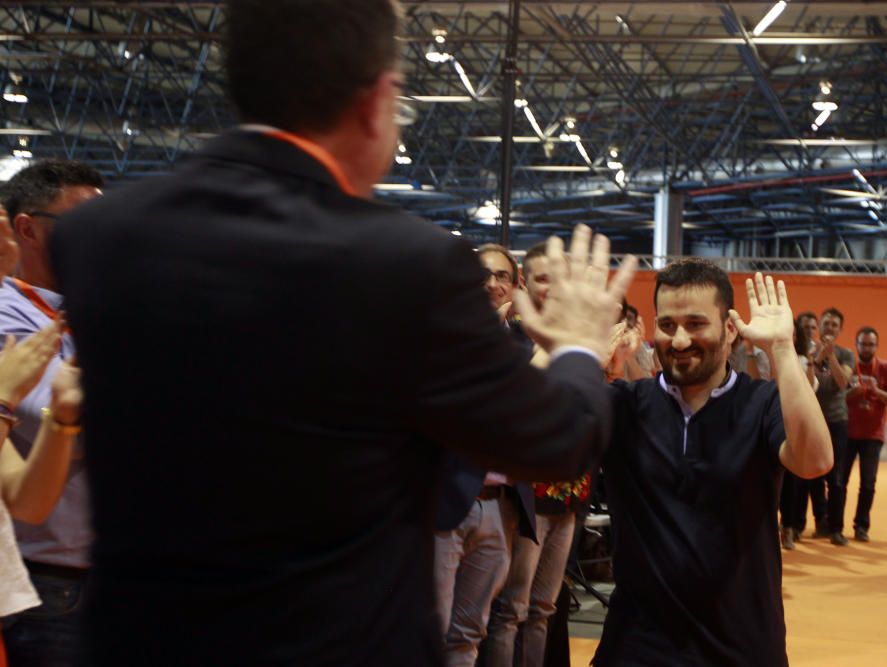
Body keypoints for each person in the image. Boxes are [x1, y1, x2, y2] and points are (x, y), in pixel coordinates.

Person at [48, 2, 637, 665]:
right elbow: (557, 438)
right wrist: (582, 343)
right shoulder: (407, 265)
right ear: (378, 99)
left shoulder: (96, 238)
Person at [592, 261, 833, 666]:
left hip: (743, 649)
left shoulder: (762, 404)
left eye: (696, 323)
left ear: (731, 330)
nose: (681, 339)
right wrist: (579, 360)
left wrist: (782, 349)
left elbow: (814, 462)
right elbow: (522, 437)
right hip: (636, 650)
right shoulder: (625, 405)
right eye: (668, 325)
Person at [0, 160, 101, 667]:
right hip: (49, 583)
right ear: (26, 229)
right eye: (84, 225)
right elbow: (52, 417)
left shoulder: (88, 307)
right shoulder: (6, 312)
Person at [483, 242, 591, 667]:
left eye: (560, 279)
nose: (554, 289)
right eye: (544, 279)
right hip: (523, 493)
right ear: (526, 283)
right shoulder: (512, 334)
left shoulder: (576, 336)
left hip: (569, 490)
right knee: (511, 609)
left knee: (544, 608)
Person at [433, 244, 538, 667]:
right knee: (429, 628)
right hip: (445, 505)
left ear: (516, 287)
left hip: (500, 508)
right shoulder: (439, 337)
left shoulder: (528, 348)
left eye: (502, 277)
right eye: (483, 275)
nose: (492, 284)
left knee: (468, 635)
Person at [841, 327, 887, 542]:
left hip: (873, 435)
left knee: (868, 483)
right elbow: (837, 397)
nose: (867, 348)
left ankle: (861, 526)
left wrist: (877, 392)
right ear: (856, 345)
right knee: (839, 481)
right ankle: (834, 524)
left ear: (876, 346)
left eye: (871, 344)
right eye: (863, 344)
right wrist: (852, 393)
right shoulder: (848, 368)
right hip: (846, 432)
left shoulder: (886, 368)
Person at [813, 307, 854, 546]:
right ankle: (821, 522)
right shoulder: (808, 351)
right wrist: (818, 356)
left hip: (837, 421)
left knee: (836, 477)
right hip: (813, 419)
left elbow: (842, 382)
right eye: (826, 323)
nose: (829, 328)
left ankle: (837, 528)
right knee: (812, 475)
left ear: (840, 330)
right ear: (819, 326)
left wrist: (831, 357)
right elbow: (806, 378)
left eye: (834, 325)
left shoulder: (846, 354)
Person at [779, 315, 820, 550]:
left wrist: (811, 363)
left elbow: (811, 388)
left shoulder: (804, 360)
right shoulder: (764, 356)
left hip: (795, 425)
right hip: (770, 419)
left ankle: (789, 528)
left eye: (793, 333)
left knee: (792, 482)